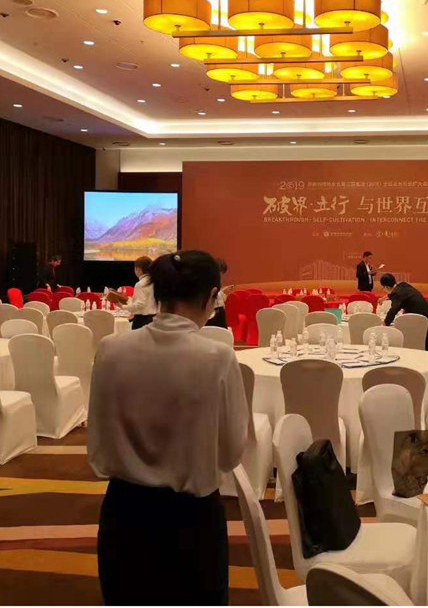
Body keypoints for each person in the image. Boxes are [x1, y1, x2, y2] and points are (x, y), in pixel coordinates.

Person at [88, 250, 248, 606]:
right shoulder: (217, 357)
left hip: (123, 512)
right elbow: (231, 452)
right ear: (211, 297)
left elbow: (97, 443)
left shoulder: (110, 349)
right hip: (192, 518)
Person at [380, 273, 428, 351]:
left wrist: (385, 323)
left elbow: (393, 311)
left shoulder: (397, 294)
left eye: (383, 288)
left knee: (425, 346)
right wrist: (384, 298)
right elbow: (397, 294)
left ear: (386, 287)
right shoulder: (403, 285)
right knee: (426, 345)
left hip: (424, 322)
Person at [106, 256, 157, 330]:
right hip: (154, 319)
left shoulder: (140, 284)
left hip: (142, 320)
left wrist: (122, 306)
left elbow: (140, 305)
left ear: (139, 269)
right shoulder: (155, 282)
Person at [206, 258, 235, 328]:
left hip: (219, 311)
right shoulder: (208, 284)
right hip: (214, 314)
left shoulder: (216, 285)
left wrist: (223, 291)